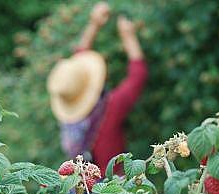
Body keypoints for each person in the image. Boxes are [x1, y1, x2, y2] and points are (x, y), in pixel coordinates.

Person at [47, 2, 148, 176]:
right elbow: (137, 76)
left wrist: (94, 24)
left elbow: (77, 63)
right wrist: (128, 36)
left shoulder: (71, 120)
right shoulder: (109, 110)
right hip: (112, 193)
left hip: (80, 190)